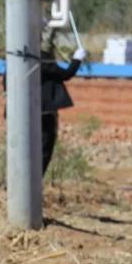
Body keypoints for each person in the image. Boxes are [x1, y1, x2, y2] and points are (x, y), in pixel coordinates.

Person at [39, 46, 86, 175]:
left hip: (18, 115)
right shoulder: (40, 57)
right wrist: (77, 59)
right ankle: (34, 184)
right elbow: (66, 74)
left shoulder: (14, 59)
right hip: (44, 113)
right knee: (44, 150)